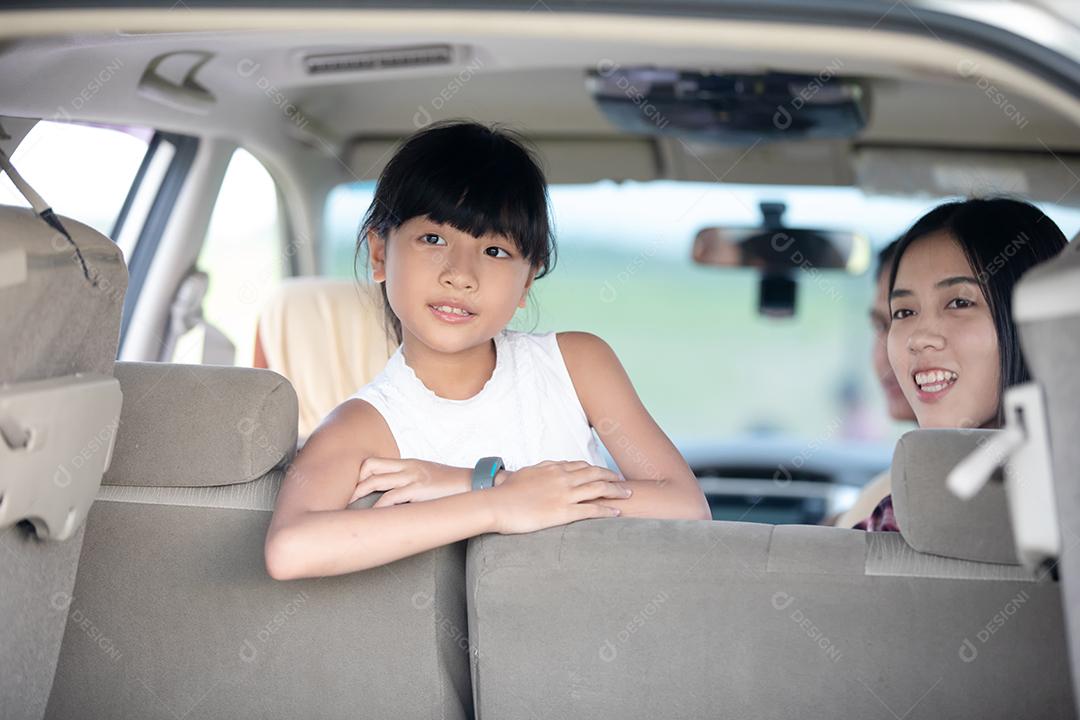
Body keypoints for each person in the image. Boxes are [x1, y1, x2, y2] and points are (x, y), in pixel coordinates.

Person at [264, 121, 710, 579]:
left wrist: (479, 482)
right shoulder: (363, 426)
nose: (461, 275)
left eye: (495, 251)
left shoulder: (577, 364)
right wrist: (498, 503)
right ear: (380, 254)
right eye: (434, 239)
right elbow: (290, 550)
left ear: (527, 281)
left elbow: (685, 505)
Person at [854, 197, 1068, 531]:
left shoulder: (896, 521)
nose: (918, 338)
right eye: (905, 312)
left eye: (958, 302)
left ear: (1036, 321)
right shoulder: (894, 510)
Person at [832, 240, 916, 527]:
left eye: (959, 304)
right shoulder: (890, 493)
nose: (885, 356)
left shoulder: (896, 501)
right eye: (881, 326)